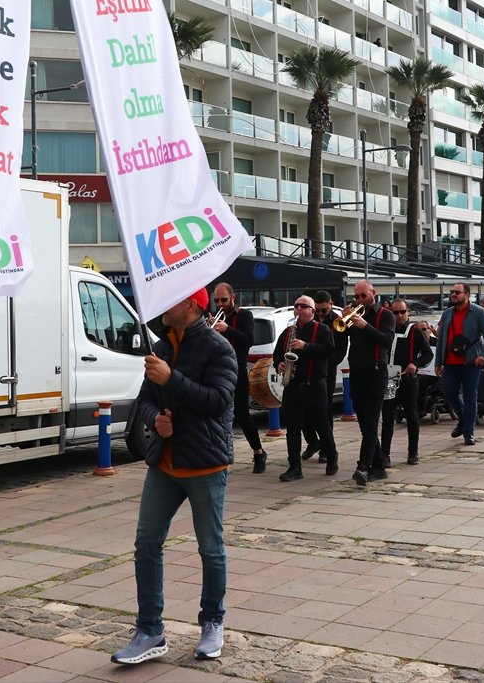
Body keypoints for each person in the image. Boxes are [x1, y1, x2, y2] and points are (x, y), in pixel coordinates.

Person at [111, 289, 236, 665]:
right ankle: (150, 630)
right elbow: (145, 400)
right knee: (146, 543)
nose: (161, 306)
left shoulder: (218, 348)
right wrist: (155, 420)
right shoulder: (162, 346)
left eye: (170, 301)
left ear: (191, 306)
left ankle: (213, 622)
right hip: (164, 462)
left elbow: (219, 400)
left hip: (205, 463)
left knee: (210, 549)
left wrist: (173, 378)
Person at [273, 297, 337, 480]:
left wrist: (305, 346)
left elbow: (328, 350)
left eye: (303, 306)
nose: (299, 309)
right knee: (292, 428)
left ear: (312, 311)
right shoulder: (288, 332)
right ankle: (294, 467)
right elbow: (277, 354)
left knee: (321, 424)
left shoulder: (322, 329)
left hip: (315, 385)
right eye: (296, 306)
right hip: (292, 386)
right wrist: (279, 364)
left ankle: (332, 457)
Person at [343, 280, 395, 486]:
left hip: (376, 373)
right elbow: (340, 335)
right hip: (357, 373)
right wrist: (343, 319)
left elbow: (386, 341)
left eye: (363, 296)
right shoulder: (354, 317)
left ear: (373, 293)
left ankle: (364, 466)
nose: (359, 300)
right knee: (364, 424)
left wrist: (365, 326)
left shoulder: (386, 315)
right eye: (356, 297)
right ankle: (380, 464)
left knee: (371, 422)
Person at [210, 283, 266, 473]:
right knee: (217, 415)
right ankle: (220, 457)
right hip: (218, 371)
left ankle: (258, 452)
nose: (220, 305)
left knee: (242, 415)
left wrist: (227, 329)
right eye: (217, 301)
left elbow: (249, 339)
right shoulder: (215, 317)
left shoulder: (244, 316)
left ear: (233, 298)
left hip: (237, 369)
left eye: (224, 300)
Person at [433, 282, 484, 447]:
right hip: (450, 362)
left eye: (457, 292)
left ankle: (468, 432)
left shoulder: (479, 312)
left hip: (471, 362)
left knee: (470, 396)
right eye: (452, 292)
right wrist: (438, 362)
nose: (453, 294)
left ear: (467, 294)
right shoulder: (447, 314)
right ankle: (463, 420)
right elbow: (441, 340)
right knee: (449, 392)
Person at [381, 299, 434, 466]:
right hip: (389, 378)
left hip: (408, 379)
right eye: (395, 313)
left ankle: (413, 452)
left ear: (408, 312)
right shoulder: (386, 330)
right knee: (388, 416)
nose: (399, 316)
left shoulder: (415, 331)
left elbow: (428, 354)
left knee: (412, 415)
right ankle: (385, 454)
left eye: (402, 312)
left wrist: (415, 364)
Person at [303, 291, 348, 462]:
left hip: (327, 371)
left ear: (331, 304)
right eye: (318, 310)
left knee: (325, 411)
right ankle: (313, 442)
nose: (320, 314)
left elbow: (341, 349)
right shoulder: (310, 319)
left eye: (324, 310)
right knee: (304, 410)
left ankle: (326, 448)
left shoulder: (338, 322)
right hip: (308, 370)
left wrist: (328, 364)